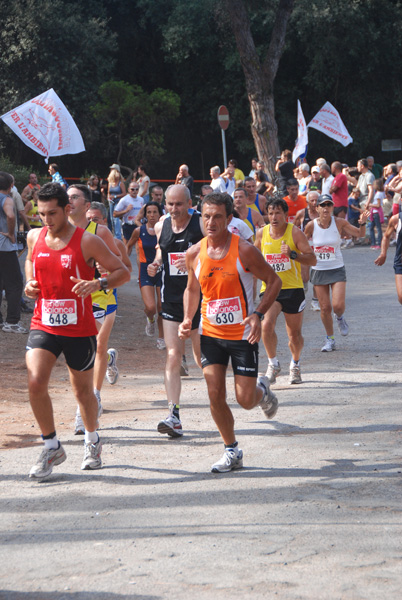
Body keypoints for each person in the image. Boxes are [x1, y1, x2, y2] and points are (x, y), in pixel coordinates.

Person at [24, 183, 130, 480]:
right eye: (41, 213)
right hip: (43, 322)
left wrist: (98, 284)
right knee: (35, 382)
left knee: (83, 393)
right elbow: (32, 260)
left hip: (79, 329)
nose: (46, 219)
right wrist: (29, 282)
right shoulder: (36, 236)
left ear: (67, 209)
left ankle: (93, 440)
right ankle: (51, 445)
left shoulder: (87, 241)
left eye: (52, 213)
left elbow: (123, 271)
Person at [178, 192, 282, 473]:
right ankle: (231, 450)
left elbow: (274, 281)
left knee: (245, 400)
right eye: (207, 216)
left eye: (218, 217)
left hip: (242, 335)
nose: (211, 222)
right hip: (211, 333)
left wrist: (258, 315)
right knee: (214, 393)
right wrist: (188, 318)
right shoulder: (194, 253)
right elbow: (192, 288)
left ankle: (262, 392)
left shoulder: (244, 250)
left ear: (229, 219)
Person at [147, 184, 204, 437]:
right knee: (172, 354)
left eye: (178, 204)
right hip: (171, 298)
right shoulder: (162, 225)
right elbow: (162, 248)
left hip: (201, 297)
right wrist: (157, 263)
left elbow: (217, 247)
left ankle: (226, 397)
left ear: (189, 203)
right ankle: (174, 414)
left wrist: (193, 258)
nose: (173, 209)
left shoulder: (201, 224)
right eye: (169, 204)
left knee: (202, 359)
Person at [67, 184, 123, 432]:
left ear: (86, 205)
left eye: (74, 196)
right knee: (82, 350)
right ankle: (109, 359)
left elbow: (119, 267)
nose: (68, 200)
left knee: (96, 345)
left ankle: (92, 399)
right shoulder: (58, 231)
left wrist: (103, 273)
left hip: (100, 295)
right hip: (72, 299)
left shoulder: (99, 232)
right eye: (66, 196)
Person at [255, 198, 316, 384]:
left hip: (293, 289)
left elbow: (312, 259)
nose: (274, 217)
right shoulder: (261, 234)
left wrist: (293, 254)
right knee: (266, 325)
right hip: (271, 288)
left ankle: (295, 364)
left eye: (278, 213)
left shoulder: (295, 233)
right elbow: (252, 259)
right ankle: (273, 364)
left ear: (285, 215)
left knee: (294, 335)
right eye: (271, 213)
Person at [304, 195, 369, 352]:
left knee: (338, 306)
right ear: (317, 208)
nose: (326, 208)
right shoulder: (311, 226)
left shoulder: (339, 222)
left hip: (337, 267)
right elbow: (302, 243)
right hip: (319, 270)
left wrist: (363, 224)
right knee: (325, 308)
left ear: (333, 207)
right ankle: (330, 339)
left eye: (329, 205)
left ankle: (340, 318)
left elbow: (360, 234)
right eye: (323, 205)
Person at [85, 201, 132, 416]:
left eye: (95, 219)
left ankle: (95, 395)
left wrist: (108, 271)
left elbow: (127, 270)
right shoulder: (79, 240)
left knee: (99, 345)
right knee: (91, 346)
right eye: (88, 219)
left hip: (106, 296)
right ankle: (110, 360)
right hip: (85, 295)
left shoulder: (115, 243)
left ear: (104, 221)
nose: (91, 223)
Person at [127, 201, 165, 349]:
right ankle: (150, 319)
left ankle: (161, 338)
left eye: (155, 212)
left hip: (162, 270)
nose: (152, 215)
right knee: (151, 307)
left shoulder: (166, 229)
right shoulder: (139, 231)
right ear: (145, 214)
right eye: (149, 212)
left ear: (160, 214)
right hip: (145, 271)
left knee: (161, 306)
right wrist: (124, 263)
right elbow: (128, 246)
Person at [0, 172, 25, 333]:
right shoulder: (6, 199)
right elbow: (10, 215)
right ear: (10, 186)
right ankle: (12, 322)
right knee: (15, 283)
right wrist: (11, 233)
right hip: (4, 247)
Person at [374, 209, 402, 303]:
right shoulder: (396, 219)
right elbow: (386, 236)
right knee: (401, 296)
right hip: (400, 262)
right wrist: (383, 253)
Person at [107, 164, 126, 240]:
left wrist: (115, 196)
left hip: (118, 202)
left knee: (116, 219)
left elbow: (124, 193)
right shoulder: (110, 183)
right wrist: (109, 197)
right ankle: (114, 234)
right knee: (111, 219)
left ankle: (118, 236)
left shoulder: (120, 183)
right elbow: (109, 192)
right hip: (111, 202)